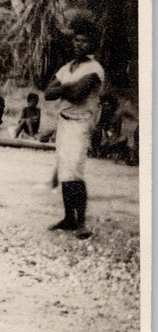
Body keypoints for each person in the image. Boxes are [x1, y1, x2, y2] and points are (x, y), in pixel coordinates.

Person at [45, 18, 104, 240]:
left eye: (84, 41)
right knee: (64, 172)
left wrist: (63, 87)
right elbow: (48, 93)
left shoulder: (94, 69)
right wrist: (68, 86)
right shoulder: (68, 67)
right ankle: (69, 218)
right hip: (64, 122)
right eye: (76, 40)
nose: (78, 45)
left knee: (74, 174)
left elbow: (77, 95)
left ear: (92, 45)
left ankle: (81, 222)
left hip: (80, 124)